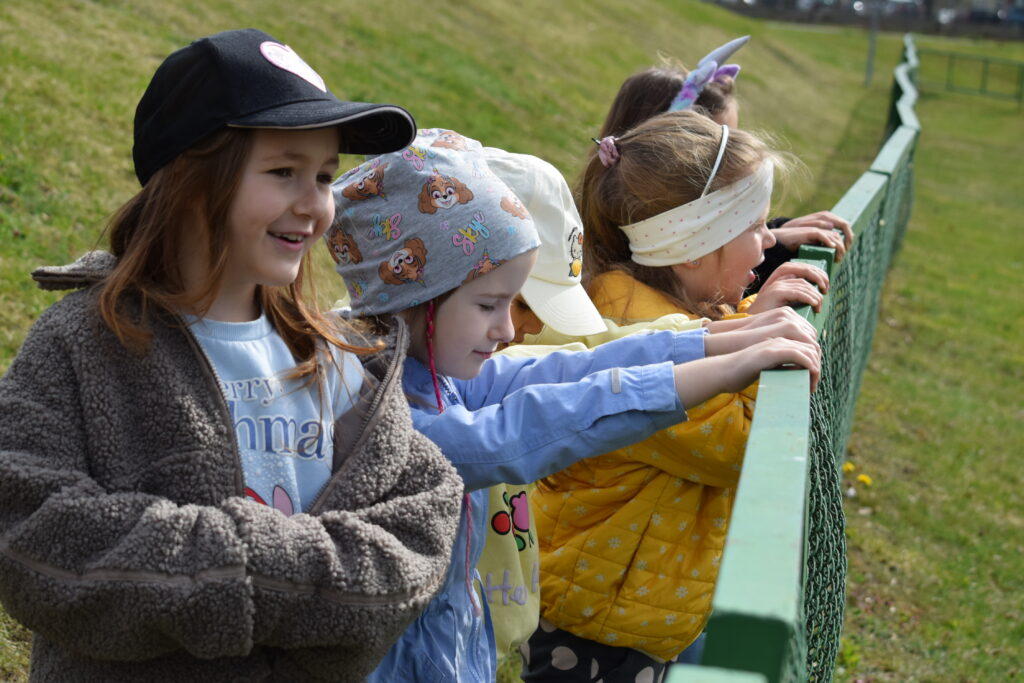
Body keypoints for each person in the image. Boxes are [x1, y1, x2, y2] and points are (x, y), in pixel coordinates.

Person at [0, 29, 465, 682]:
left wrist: (252, 576)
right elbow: (28, 531)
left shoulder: (334, 358)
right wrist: (246, 573)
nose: (314, 204)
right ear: (190, 182)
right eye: (283, 172)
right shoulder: (85, 343)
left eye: (324, 175)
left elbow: (420, 526)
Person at [326, 128, 822, 682]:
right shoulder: (377, 409)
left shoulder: (428, 371)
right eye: (489, 304)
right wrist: (722, 364)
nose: (507, 329)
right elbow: (519, 429)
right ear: (416, 293)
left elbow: (562, 369)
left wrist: (712, 340)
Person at [522, 110, 830, 681]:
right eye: (755, 226)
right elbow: (738, 445)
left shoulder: (651, 305)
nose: (770, 240)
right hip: (595, 623)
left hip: (623, 604)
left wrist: (750, 319)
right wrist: (756, 329)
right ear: (692, 248)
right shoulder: (633, 333)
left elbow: (704, 342)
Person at [596, 36, 853, 292]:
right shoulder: (625, 287)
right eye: (716, 141)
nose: (734, 151)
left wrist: (772, 231)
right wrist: (773, 252)